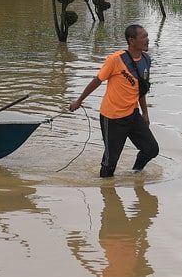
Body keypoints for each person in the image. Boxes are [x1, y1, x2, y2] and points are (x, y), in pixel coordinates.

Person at [68, 24, 159, 177]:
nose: (147, 40)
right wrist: (79, 101)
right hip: (112, 118)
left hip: (133, 114)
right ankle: (105, 187)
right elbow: (97, 81)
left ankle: (135, 175)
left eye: (147, 36)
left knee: (151, 149)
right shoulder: (115, 59)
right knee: (110, 164)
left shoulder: (146, 60)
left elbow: (141, 90)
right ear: (132, 40)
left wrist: (145, 113)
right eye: (143, 37)